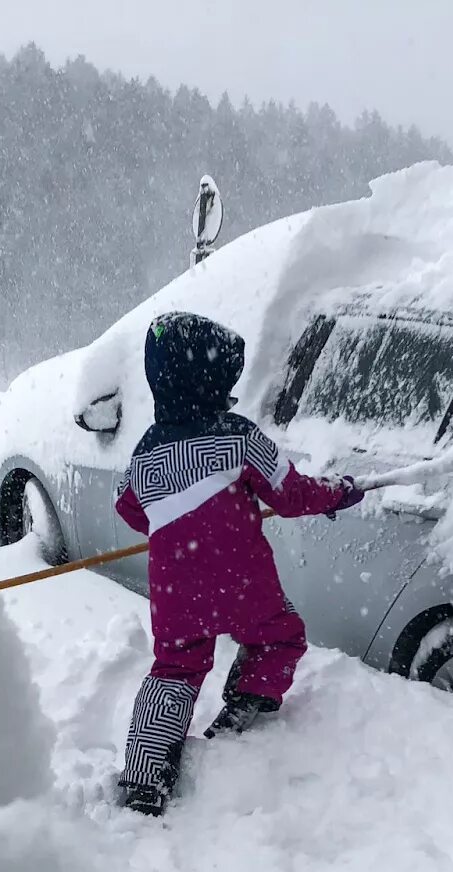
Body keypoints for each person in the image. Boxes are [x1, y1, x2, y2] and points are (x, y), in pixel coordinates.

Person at [114, 311, 363, 816]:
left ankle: (143, 778)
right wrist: (337, 494)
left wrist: (175, 530)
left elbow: (129, 506)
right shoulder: (239, 438)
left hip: (176, 588)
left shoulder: (144, 455)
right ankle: (246, 706)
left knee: (175, 669)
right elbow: (292, 495)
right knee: (279, 637)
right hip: (243, 579)